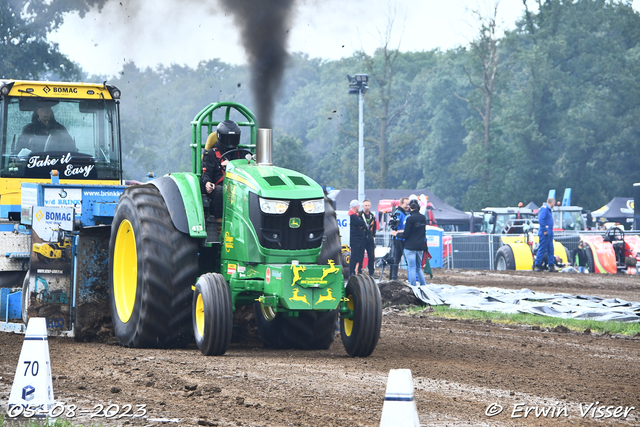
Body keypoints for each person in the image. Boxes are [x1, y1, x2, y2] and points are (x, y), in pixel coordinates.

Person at [201, 120, 242, 218]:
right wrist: (208, 184)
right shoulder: (211, 154)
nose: (230, 142)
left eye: (233, 138)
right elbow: (206, 173)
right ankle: (219, 225)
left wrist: (232, 165)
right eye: (228, 138)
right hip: (219, 186)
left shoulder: (241, 153)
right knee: (220, 191)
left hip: (238, 184)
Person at [393, 198, 427, 286]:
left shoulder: (409, 219)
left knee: (411, 267)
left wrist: (396, 234)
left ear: (410, 207)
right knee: (418, 268)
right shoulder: (423, 218)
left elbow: (406, 234)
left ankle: (413, 287)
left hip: (410, 247)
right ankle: (423, 286)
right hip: (420, 247)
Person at [534, 197, 556, 272]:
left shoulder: (548, 209)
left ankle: (551, 265)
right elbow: (541, 219)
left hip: (549, 231)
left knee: (551, 249)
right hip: (545, 231)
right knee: (542, 248)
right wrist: (544, 229)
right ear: (552, 202)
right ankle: (537, 265)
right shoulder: (544, 208)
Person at [389, 197, 409, 280]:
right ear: (401, 204)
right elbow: (395, 225)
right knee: (397, 258)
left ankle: (393, 276)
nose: (408, 206)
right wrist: (399, 231)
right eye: (406, 204)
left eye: (408, 204)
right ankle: (394, 276)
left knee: (397, 258)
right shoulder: (399, 213)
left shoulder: (403, 213)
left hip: (402, 238)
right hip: (399, 239)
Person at [348, 199, 367, 277]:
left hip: (358, 239)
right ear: (356, 206)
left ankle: (356, 271)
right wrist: (362, 225)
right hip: (355, 239)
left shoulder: (356, 215)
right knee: (354, 256)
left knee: (358, 255)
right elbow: (361, 223)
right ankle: (351, 271)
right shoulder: (352, 216)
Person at [360, 199, 376, 276]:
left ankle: (371, 272)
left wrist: (373, 236)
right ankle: (359, 271)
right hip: (362, 238)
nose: (367, 207)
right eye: (366, 205)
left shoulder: (372, 216)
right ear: (363, 206)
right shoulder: (359, 215)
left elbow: (374, 227)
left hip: (370, 238)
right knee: (360, 255)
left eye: (368, 205)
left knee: (371, 256)